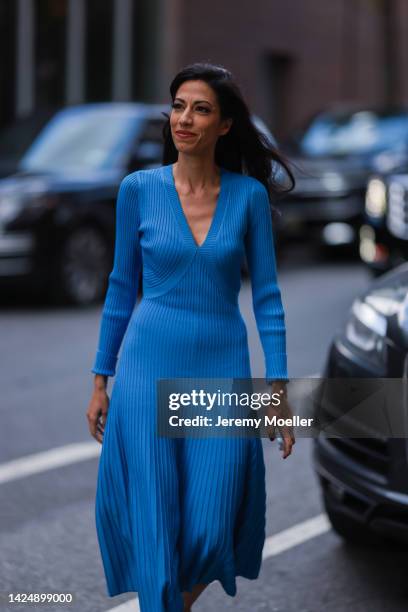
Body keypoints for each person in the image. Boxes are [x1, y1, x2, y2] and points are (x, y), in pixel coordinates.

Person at [86, 61, 296, 612]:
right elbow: (119, 288)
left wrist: (277, 389)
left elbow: (268, 298)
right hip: (146, 365)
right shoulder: (138, 190)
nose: (184, 118)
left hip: (220, 368)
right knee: (156, 526)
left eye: (200, 108)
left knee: (211, 522)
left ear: (224, 125)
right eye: (178, 106)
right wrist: (100, 378)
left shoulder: (248, 197)